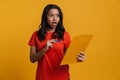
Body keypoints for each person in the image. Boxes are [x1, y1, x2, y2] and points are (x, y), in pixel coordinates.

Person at [28, 4, 85, 80]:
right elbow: (32, 59)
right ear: (45, 17)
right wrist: (44, 49)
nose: (55, 19)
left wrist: (78, 58)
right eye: (51, 15)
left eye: (58, 16)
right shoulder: (36, 35)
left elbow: (68, 57)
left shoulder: (65, 35)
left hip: (62, 77)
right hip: (43, 77)